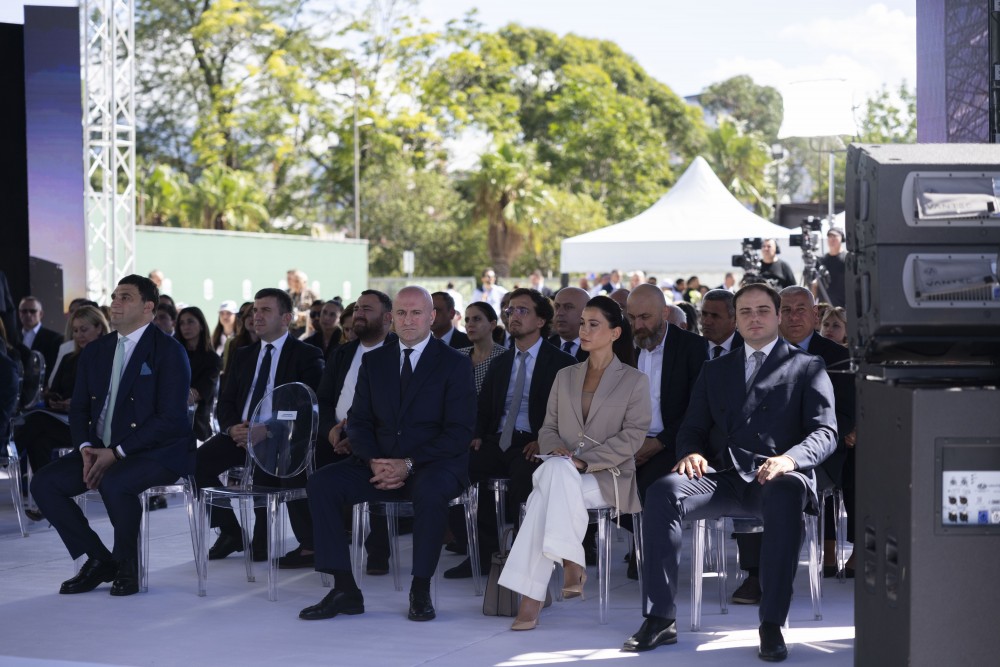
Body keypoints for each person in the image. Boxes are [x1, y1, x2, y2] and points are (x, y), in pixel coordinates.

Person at [624, 282, 837, 661]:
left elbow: (825, 432)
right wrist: (690, 451)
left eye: (762, 311)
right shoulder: (714, 369)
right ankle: (660, 617)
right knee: (662, 492)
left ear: (778, 316)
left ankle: (771, 624)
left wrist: (790, 460)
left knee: (787, 496)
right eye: (745, 312)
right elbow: (691, 427)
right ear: (736, 321)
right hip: (723, 475)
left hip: (776, 474)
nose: (754, 318)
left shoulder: (807, 366)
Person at [299, 286, 476, 623]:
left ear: (432, 317)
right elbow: (360, 421)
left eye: (416, 313)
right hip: (378, 463)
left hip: (433, 465)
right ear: (391, 317)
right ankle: (344, 588)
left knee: (429, 491)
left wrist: (408, 464)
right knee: (323, 483)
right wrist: (373, 461)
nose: (408, 320)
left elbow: (459, 432)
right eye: (401, 313)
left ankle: (420, 588)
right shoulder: (374, 360)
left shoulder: (454, 363)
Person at [29, 275, 195, 596]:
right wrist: (87, 447)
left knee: (116, 482)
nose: (115, 303)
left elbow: (171, 419)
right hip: (101, 447)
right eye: (114, 296)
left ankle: (127, 564)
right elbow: (78, 410)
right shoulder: (96, 351)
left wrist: (117, 452)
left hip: (159, 451)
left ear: (148, 307)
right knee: (44, 483)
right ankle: (99, 558)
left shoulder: (169, 351)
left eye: (126, 297)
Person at [499, 295, 651, 630]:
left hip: (608, 477)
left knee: (545, 492)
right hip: (562, 468)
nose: (583, 330)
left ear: (614, 333)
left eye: (593, 324)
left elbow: (633, 437)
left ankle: (532, 598)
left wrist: (583, 462)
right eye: (582, 323)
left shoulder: (634, 381)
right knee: (553, 475)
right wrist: (557, 452)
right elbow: (548, 427)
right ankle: (569, 560)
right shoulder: (564, 375)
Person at [444, 288, 576, 578]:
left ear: (541, 320)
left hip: (534, 442)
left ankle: (521, 557)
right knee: (454, 469)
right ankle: (481, 553)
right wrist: (476, 433)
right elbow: (483, 407)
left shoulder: (562, 364)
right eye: (510, 311)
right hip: (497, 439)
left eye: (522, 311)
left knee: (525, 479)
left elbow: (571, 415)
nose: (513, 316)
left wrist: (545, 439)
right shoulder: (500, 361)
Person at [196, 288, 324, 563]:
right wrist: (232, 429)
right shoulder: (243, 354)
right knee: (194, 463)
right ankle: (230, 530)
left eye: (266, 310)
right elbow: (226, 401)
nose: (257, 316)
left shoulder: (306, 354)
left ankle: (294, 543)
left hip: (281, 437)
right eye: (255, 310)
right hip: (241, 434)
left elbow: (306, 406)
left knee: (274, 467)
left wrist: (267, 429)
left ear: (286, 317)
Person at [314, 290, 396, 573]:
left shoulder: (399, 352)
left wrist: (356, 436)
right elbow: (323, 399)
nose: (359, 313)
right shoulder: (343, 352)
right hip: (334, 435)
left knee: (378, 459)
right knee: (300, 464)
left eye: (367, 309)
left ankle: (378, 550)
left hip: (377, 439)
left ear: (387, 318)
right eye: (358, 308)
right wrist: (329, 431)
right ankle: (316, 546)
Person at [16, 306, 109, 510]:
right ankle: (49, 498)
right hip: (63, 418)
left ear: (100, 328)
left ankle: (12, 455)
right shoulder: (70, 359)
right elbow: (52, 390)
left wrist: (76, 403)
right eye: (75, 330)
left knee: (35, 421)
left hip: (91, 425)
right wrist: (56, 400)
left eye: (83, 329)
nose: (78, 335)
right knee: (38, 440)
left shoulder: (109, 359)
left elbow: (107, 398)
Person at [625, 284, 706, 500]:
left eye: (645, 317)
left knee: (647, 491)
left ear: (665, 313)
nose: (637, 325)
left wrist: (659, 442)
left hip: (673, 444)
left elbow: (698, 408)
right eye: (632, 317)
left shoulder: (693, 348)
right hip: (626, 444)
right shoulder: (621, 346)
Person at [174, 306, 222, 442]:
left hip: (196, 424)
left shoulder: (212, 359)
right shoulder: (173, 354)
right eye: (182, 323)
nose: (185, 327)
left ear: (201, 325)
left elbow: (196, 394)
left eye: (190, 322)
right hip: (169, 422)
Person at [458, 302, 506, 395]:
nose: (470, 324)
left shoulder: (505, 357)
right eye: (467, 320)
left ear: (492, 324)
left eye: (477, 319)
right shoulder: (458, 356)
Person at [16, 296, 64, 384]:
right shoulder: (13, 337)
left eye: (32, 311)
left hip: (42, 387)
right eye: (24, 311)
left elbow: (55, 368)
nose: (28, 314)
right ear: (19, 313)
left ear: (41, 314)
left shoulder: (54, 338)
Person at [548, 286, 590, 361]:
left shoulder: (600, 349)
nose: (559, 313)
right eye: (557, 307)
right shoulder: (545, 346)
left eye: (568, 307)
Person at [700, 289, 743, 359]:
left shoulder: (749, 349)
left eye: (715, 316)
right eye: (704, 314)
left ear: (735, 318)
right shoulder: (691, 348)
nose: (706, 322)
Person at [815, 227, 848, 307]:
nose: (832, 239)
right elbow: (814, 285)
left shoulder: (847, 258)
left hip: (842, 308)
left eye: (835, 236)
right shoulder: (821, 260)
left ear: (842, 238)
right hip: (824, 309)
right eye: (829, 237)